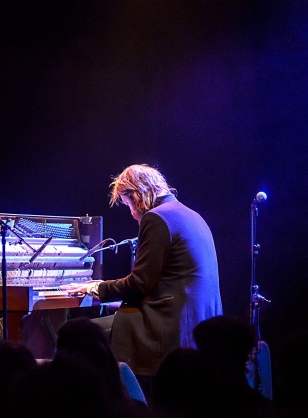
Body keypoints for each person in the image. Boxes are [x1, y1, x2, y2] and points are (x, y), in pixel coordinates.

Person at [61, 163, 222, 394]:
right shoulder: (191, 215)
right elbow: (168, 280)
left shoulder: (156, 218)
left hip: (166, 326)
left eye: (128, 205)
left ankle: (98, 409)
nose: (131, 213)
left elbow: (139, 284)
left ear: (137, 196)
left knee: (76, 336)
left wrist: (95, 287)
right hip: (196, 324)